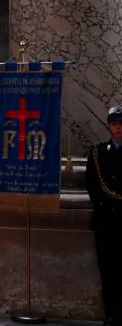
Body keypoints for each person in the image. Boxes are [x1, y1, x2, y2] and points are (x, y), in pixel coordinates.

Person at [85, 105, 122, 326]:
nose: (119, 128)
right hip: (106, 221)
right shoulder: (98, 153)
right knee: (107, 269)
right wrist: (106, 207)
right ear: (109, 126)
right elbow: (92, 186)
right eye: (115, 124)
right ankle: (110, 314)